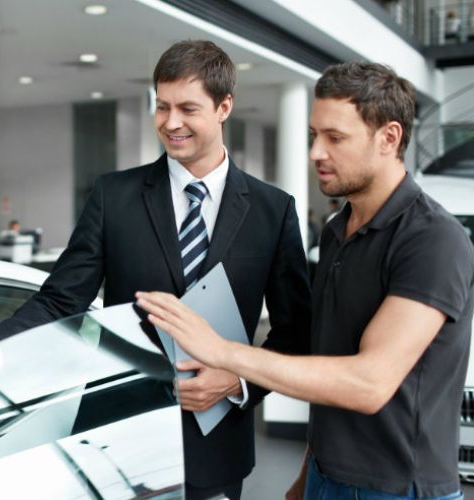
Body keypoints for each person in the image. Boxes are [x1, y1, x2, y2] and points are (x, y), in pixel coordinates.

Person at [0, 40, 311, 500]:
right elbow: (61, 299)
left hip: (218, 440)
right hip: (117, 438)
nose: (171, 122)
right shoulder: (114, 196)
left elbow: (295, 331)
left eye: (187, 108)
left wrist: (238, 381)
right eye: (161, 106)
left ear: (224, 107)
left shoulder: (272, 210)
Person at [137, 62, 474, 500]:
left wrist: (224, 353)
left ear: (389, 138)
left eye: (335, 138)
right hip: (324, 477)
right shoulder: (337, 232)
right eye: (315, 135)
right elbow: (329, 366)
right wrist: (305, 476)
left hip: (397, 489)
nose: (316, 152)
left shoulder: (433, 239)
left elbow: (368, 384)